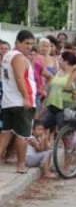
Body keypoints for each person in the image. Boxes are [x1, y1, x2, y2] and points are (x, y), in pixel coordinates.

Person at [0, 30, 36, 173]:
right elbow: (20, 78)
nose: (29, 46)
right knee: (23, 135)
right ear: (18, 42)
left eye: (32, 44)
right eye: (26, 43)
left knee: (6, 134)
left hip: (8, 102)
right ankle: (21, 165)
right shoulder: (19, 58)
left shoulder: (7, 56)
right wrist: (26, 98)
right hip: (21, 103)